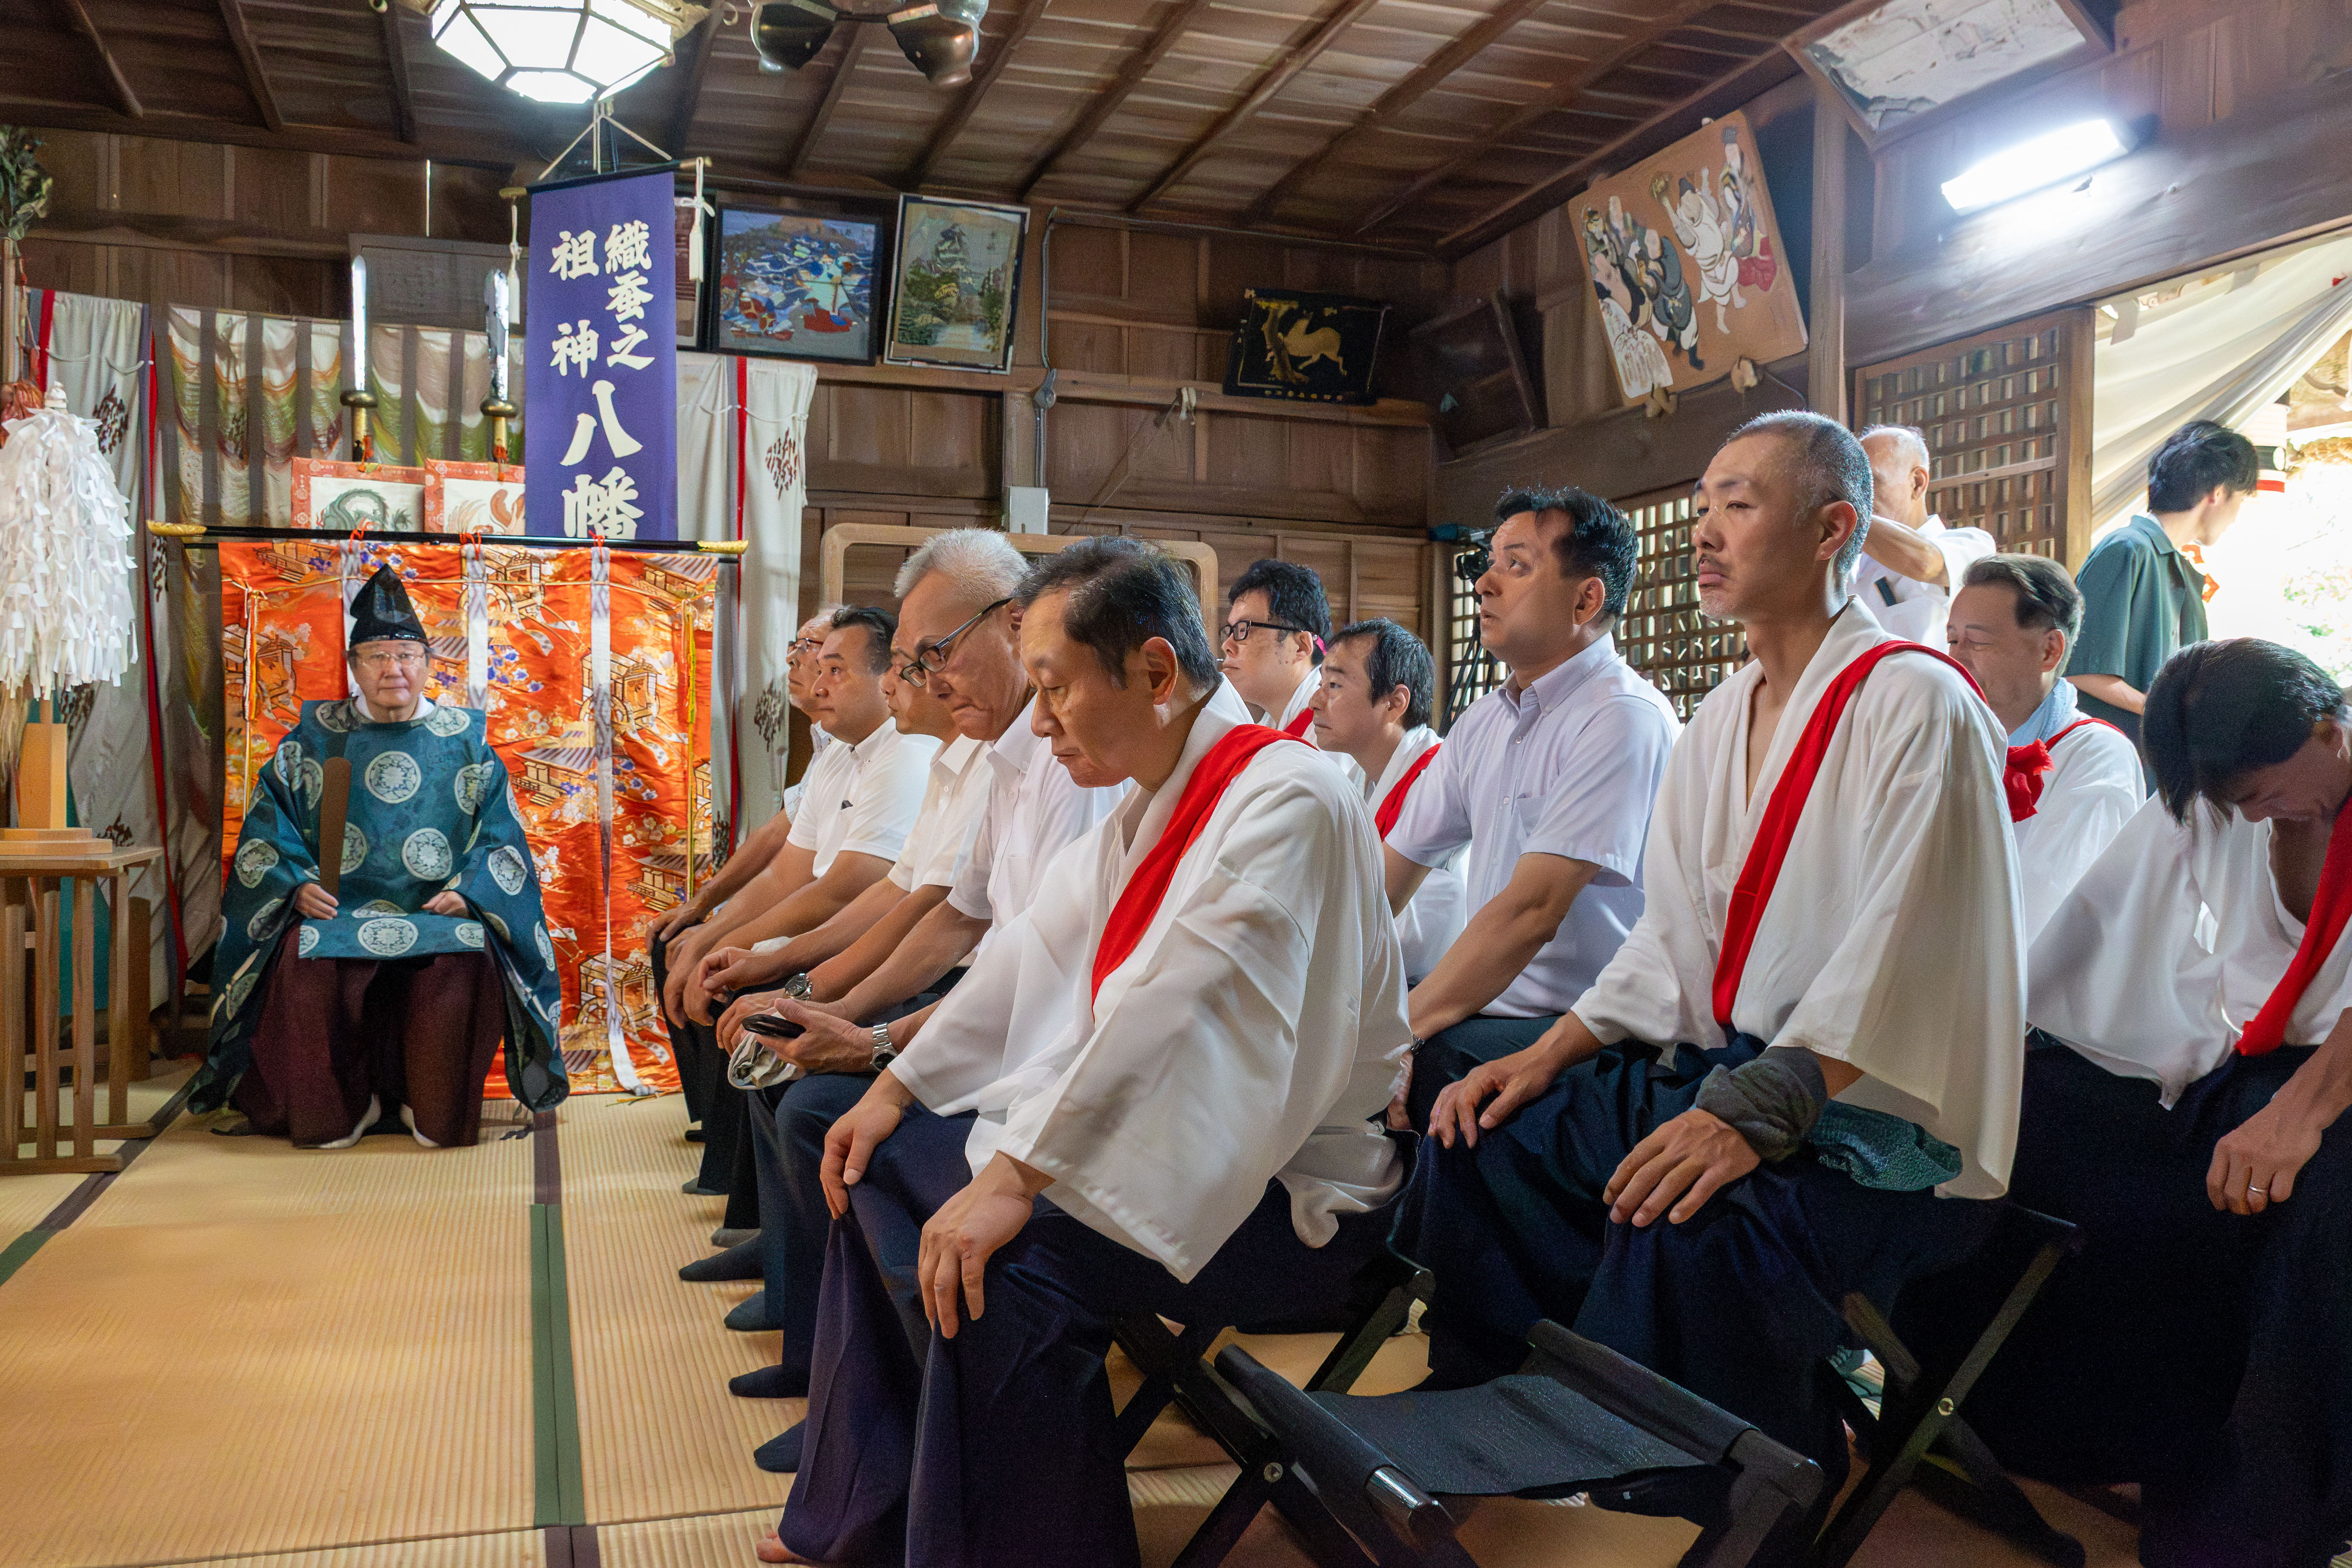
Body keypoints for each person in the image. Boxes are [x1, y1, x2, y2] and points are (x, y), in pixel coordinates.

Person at [1399, 411, 2023, 1523]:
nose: (1706, 534)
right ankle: (1498, 1398)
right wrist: (1546, 1055)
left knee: (1689, 1206)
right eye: (1702, 508)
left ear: (1835, 528)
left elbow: (1907, 939)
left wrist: (1752, 1111)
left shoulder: (1918, 702)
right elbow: (1669, 936)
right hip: (1734, 1067)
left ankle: (1740, 1504)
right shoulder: (1721, 714)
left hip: (1874, 1114)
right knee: (1484, 1124)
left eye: (1741, 504)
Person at [757, 536, 1408, 1568]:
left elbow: (1178, 999)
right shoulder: (1150, 801)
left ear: (1153, 672)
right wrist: (895, 1084)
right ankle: (870, 1501)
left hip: (1283, 1190)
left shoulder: (1291, 795)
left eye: (1056, 687)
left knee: (1005, 1261)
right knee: (873, 1159)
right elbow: (1028, 952)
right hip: (1169, 1138)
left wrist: (1018, 1171)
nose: (1043, 716)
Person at [695, 528, 1124, 1422]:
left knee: (829, 1113)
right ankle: (840, 1373)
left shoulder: (1074, 764)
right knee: (811, 1080)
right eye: (910, 662)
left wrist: (874, 1041)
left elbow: (1030, 965)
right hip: (997, 1013)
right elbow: (950, 911)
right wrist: (826, 1004)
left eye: (933, 655)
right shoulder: (1002, 753)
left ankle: (873, 1399)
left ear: (1015, 626)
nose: (923, 680)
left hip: (1037, 1040)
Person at [1952, 640, 2352, 1568]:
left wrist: (2303, 1112)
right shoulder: (2216, 798)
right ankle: (2020, 1427)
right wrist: (1986, 1051)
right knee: (2033, 1127)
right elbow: (2089, 922)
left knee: (2313, 1207)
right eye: (2233, 804)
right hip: (2257, 1065)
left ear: (2331, 729)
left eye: (2264, 793)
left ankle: (2263, 1518)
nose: (2252, 816)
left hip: (2339, 1082)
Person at [191, 566, 565, 1146]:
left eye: (408, 655)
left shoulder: (465, 743)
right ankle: (340, 1110)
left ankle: (432, 1107)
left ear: (428, 664)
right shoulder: (313, 740)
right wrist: (293, 884)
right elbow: (268, 829)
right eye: (377, 656)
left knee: (465, 957)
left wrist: (470, 893)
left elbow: (500, 840)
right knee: (299, 956)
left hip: (435, 912)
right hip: (337, 911)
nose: (394, 669)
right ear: (353, 666)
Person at [1383, 486, 1679, 1128]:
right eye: (1488, 563)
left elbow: (1532, 913)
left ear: (1586, 599)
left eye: (1516, 565)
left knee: (1408, 1078)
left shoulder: (1621, 718)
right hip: (1484, 1009)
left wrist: (1393, 1034)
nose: (1485, 583)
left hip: (1584, 1033)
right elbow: (1388, 876)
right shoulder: (1484, 722)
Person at [677, 607, 935, 1026]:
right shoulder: (837, 752)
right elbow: (784, 874)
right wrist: (710, 937)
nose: (817, 687)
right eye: (819, 669)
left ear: (888, 677)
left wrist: (730, 948)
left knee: (725, 987)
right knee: (688, 955)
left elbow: (843, 891)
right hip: (832, 936)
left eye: (835, 671)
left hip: (869, 951)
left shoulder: (906, 754)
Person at [647, 607, 836, 1167]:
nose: (798, 662)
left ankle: (732, 1168)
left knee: (716, 965)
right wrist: (703, 907)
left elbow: (833, 886)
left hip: (832, 923)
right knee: (675, 938)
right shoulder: (832, 745)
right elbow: (779, 839)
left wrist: (722, 938)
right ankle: (714, 1119)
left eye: (819, 652)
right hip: (811, 906)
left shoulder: (893, 752)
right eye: (799, 646)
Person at [1945, 554, 2145, 939]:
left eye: (1978, 642)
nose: (1956, 659)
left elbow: (2044, 908)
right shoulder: (1949, 743)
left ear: (2049, 651)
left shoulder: (2097, 755)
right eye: (1953, 640)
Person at [2066, 419, 2258, 750]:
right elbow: (2083, 671)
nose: (2237, 516)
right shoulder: (2127, 549)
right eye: (2240, 500)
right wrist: (2167, 714)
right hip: (2114, 758)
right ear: (2218, 493)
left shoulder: (2174, 566)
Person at [1309, 617, 1467, 983]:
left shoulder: (1437, 780)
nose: (1316, 702)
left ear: (1395, 703)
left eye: (1334, 685)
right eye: (1320, 684)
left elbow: (1437, 925)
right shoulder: (1359, 777)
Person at [1852, 424, 1995, 643]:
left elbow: (1926, 564)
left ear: (1918, 483)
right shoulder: (1850, 567)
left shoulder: (1972, 545)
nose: (1857, 495)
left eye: (1870, 482)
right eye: (1851, 486)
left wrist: (1844, 512)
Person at [1219, 557, 1334, 743]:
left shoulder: (1330, 731)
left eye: (1244, 630)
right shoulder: (1271, 727)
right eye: (1231, 631)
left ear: (1300, 647)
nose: (1227, 646)